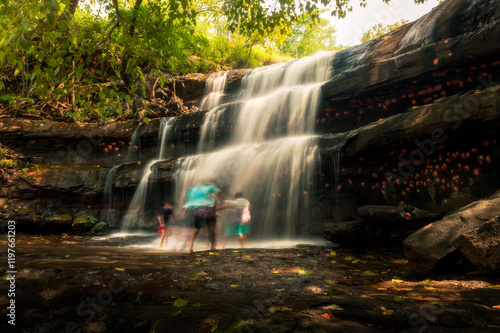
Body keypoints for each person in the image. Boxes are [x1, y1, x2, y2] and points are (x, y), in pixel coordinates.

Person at [182, 183, 221, 253]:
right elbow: (218, 202)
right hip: (209, 213)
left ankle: (191, 249)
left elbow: (192, 204)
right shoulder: (211, 195)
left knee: (197, 230)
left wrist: (217, 211)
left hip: (201, 212)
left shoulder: (197, 195)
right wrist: (217, 212)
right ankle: (212, 247)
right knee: (211, 230)